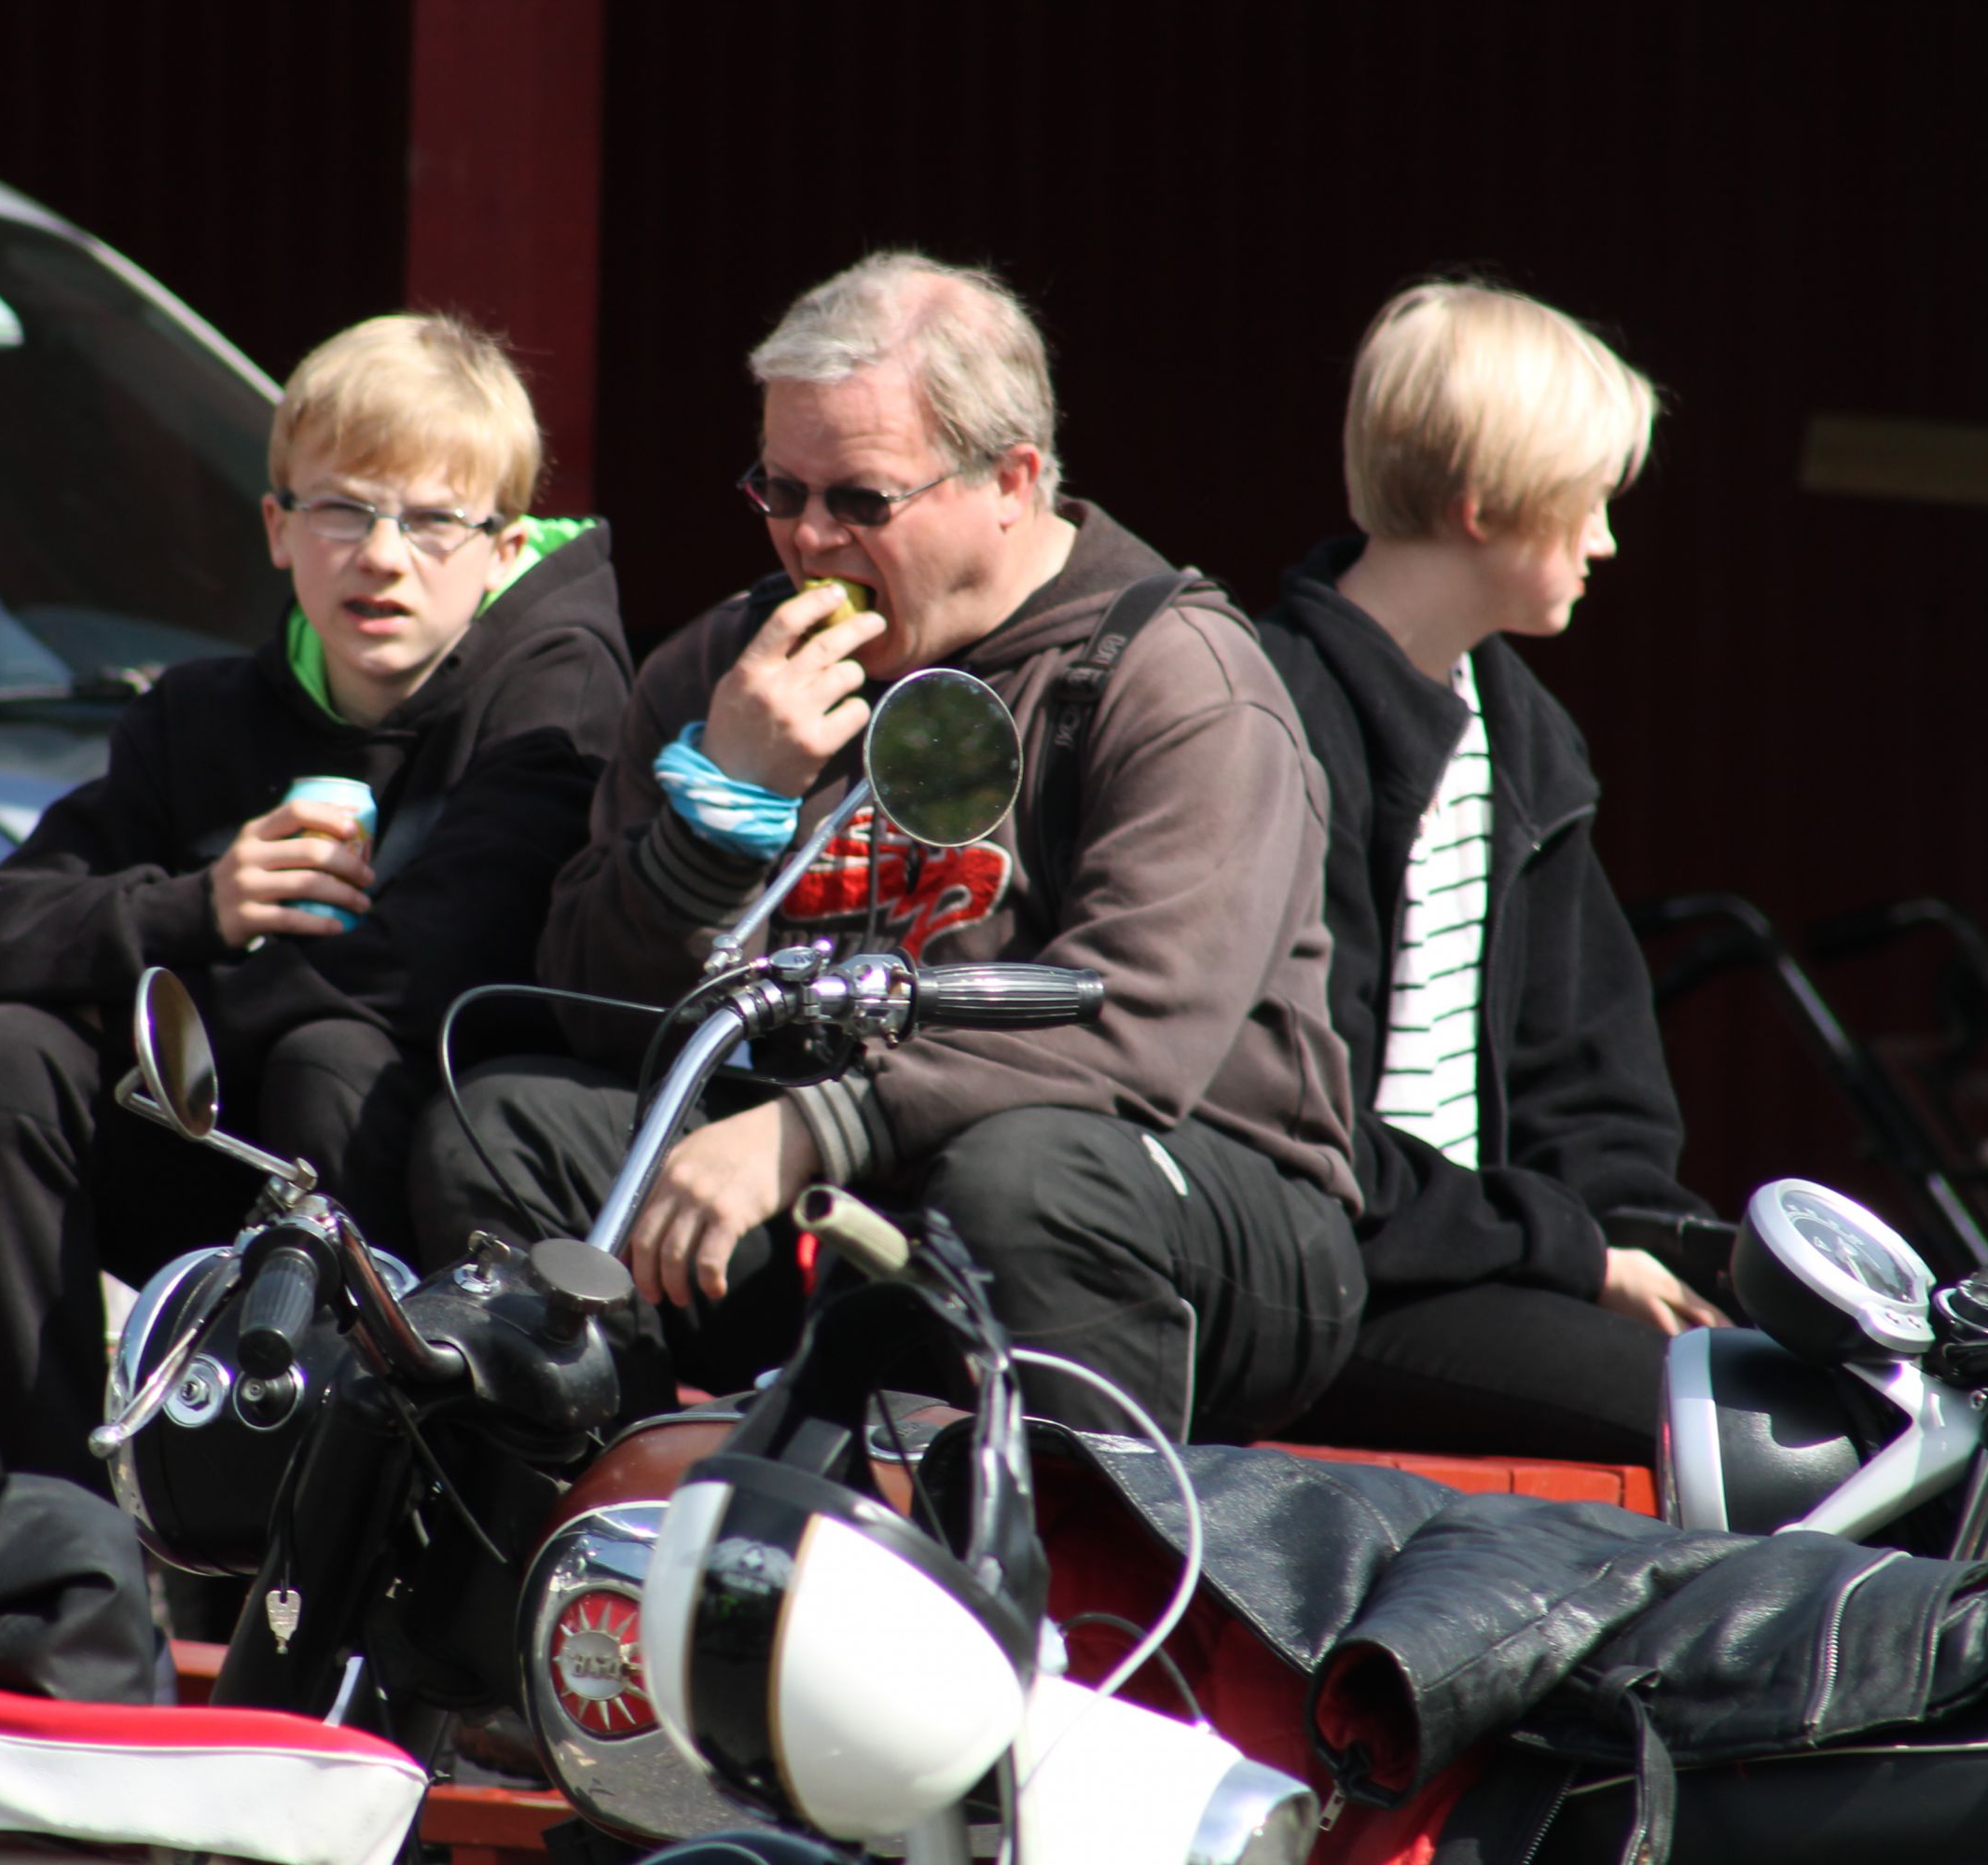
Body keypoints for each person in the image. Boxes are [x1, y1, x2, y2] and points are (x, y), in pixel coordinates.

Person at [416, 252, 1364, 1435]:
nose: (810, 538)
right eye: (779, 489)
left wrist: (818, 1126)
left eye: (861, 500)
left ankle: (1071, 1552)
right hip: (840, 1173)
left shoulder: (1180, 679)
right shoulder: (722, 671)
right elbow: (594, 1009)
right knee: (506, 1129)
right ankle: (625, 1528)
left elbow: (1130, 1026)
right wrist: (719, 812)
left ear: (1012, 480)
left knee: (1024, 1180)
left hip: (1178, 1193)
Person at [0, 312, 631, 1489]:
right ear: (277, 527)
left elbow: (418, 977)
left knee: (334, 1051)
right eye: (343, 510)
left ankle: (330, 1518)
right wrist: (196, 911)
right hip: (213, 1170)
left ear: (505, 548)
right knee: (0, 1048)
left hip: (426, 1222)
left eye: (433, 520)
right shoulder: (195, 717)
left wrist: (171, 1001)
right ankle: (57, 1518)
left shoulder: (552, 708)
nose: (383, 556)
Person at [1257, 281, 1725, 1466]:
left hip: (1488, 1261)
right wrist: (1577, 1256)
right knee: (1733, 1433)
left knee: (1823, 1388)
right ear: (1481, 508)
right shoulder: (1276, 724)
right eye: (1587, 503)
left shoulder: (1524, 735)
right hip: (1331, 1284)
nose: (1605, 541)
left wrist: (1669, 1251)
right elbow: (1310, 1140)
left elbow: (1590, 1082)